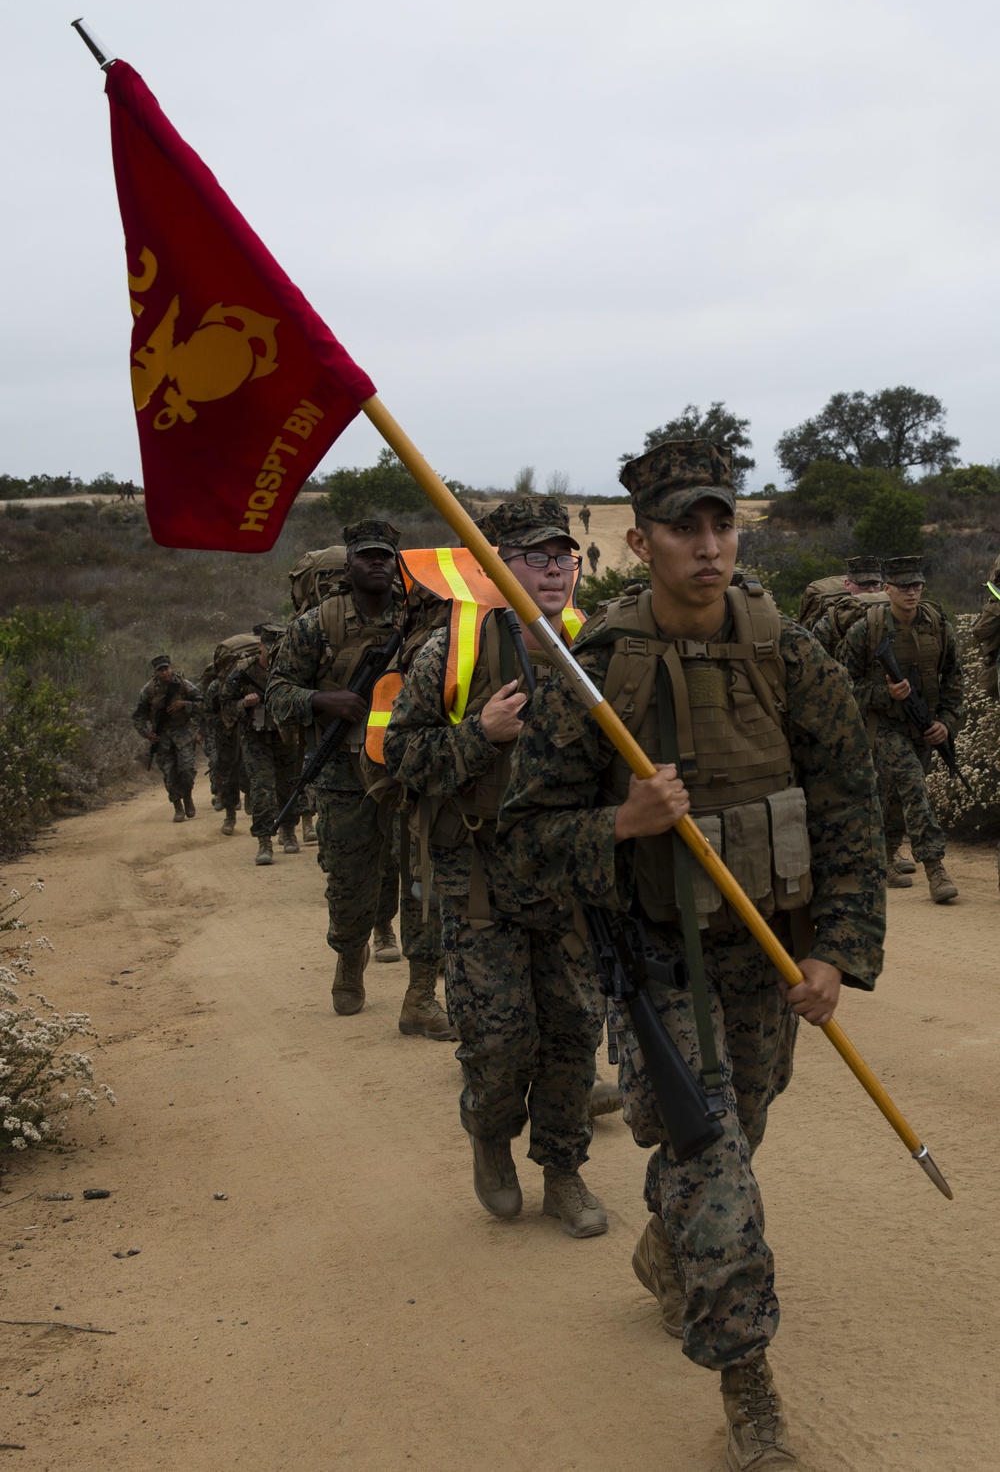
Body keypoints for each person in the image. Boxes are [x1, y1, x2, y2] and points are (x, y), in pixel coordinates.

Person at [498, 440, 885, 1468]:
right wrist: (617, 825)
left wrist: (837, 953)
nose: (708, 546)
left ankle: (664, 1246)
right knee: (714, 1168)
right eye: (684, 528)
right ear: (640, 541)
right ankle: (748, 1387)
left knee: (731, 1141)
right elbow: (524, 842)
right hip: (659, 969)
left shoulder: (785, 651)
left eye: (722, 525)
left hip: (767, 958)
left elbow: (850, 804)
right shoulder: (594, 673)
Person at [382, 497, 611, 1238]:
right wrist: (478, 735)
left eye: (564, 555)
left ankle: (564, 1171)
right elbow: (398, 755)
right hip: (480, 874)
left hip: (567, 880)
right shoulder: (454, 649)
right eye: (535, 556)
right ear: (498, 567)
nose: (554, 569)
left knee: (575, 1028)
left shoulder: (591, 644)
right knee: (501, 1036)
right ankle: (489, 1137)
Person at [266, 519, 450, 1036]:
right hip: (346, 776)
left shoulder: (417, 616)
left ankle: (420, 992)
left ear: (397, 562)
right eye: (366, 555)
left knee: (422, 883)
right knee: (350, 884)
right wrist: (323, 699)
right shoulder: (317, 624)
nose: (377, 563)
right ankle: (350, 956)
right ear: (348, 565)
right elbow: (279, 690)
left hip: (410, 771)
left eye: (385, 555)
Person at [840, 555, 964, 902]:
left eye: (917, 585)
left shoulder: (938, 625)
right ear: (888, 589)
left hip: (924, 727)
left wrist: (946, 724)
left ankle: (882, 859)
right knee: (913, 784)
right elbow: (841, 682)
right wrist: (884, 693)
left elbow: (954, 680)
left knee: (894, 798)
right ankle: (935, 869)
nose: (912, 592)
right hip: (885, 726)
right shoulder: (866, 629)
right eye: (904, 586)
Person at [221, 624, 300, 865]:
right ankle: (264, 840)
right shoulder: (244, 670)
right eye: (270, 647)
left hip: (284, 735)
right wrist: (244, 704)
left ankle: (289, 831)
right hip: (255, 737)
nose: (274, 652)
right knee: (262, 789)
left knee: (288, 785)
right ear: (261, 647)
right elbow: (224, 704)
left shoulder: (290, 669)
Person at [131, 655, 202, 821]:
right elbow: (137, 716)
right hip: (162, 737)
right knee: (169, 773)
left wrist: (184, 704)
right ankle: (177, 806)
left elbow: (202, 702)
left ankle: (188, 796)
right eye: (160, 670)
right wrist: (147, 733)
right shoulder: (148, 690)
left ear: (171, 668)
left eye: (166, 668)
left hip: (182, 732)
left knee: (187, 770)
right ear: (155, 673)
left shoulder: (184, 684)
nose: (164, 673)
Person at [808, 555, 884, 658]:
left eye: (875, 584)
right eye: (863, 584)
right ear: (847, 584)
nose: (871, 589)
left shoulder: (890, 616)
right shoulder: (829, 624)